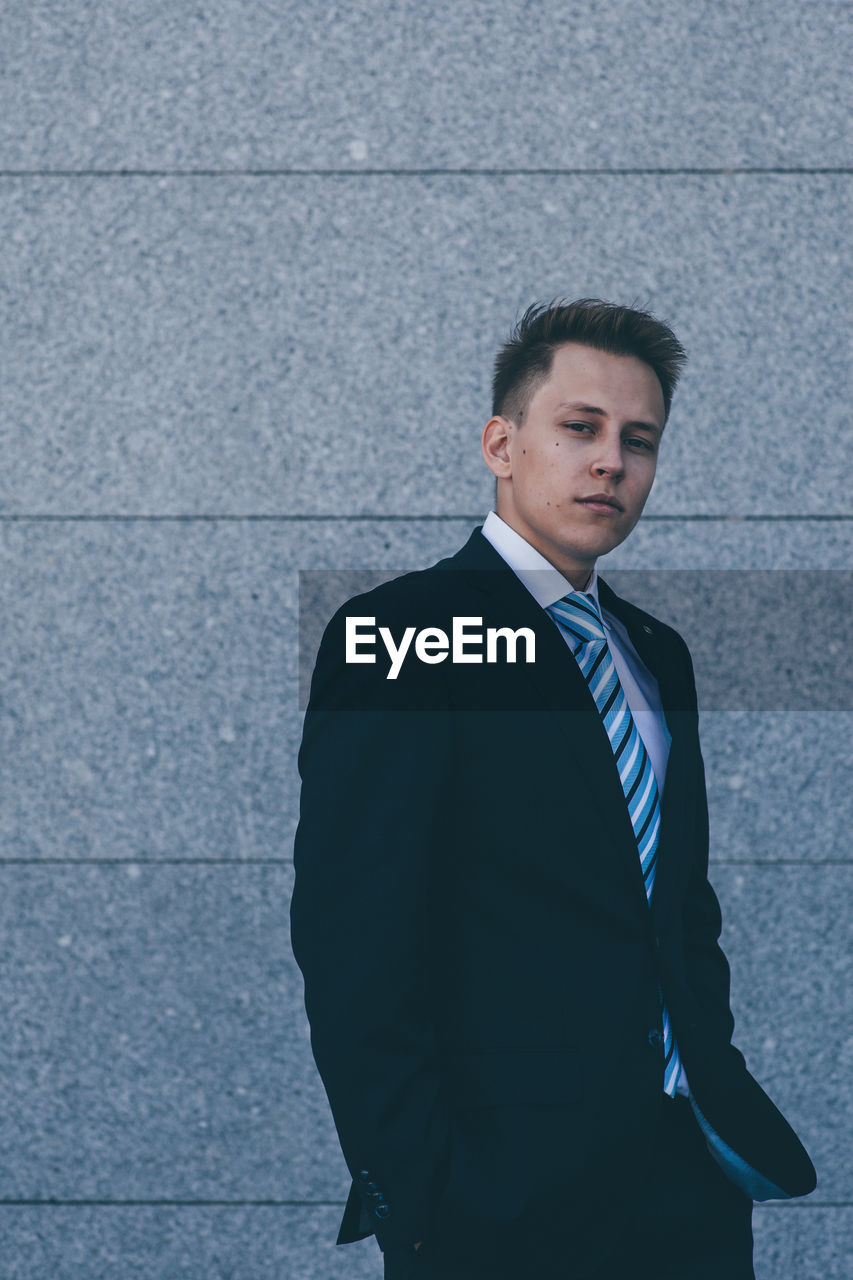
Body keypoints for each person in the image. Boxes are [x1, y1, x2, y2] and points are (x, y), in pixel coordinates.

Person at [290, 299, 816, 1279]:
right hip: (499, 1206)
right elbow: (352, 938)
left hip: (684, 1188)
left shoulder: (656, 652)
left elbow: (674, 908)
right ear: (501, 441)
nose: (610, 460)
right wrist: (421, 1194)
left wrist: (711, 1078)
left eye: (638, 439)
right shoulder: (406, 633)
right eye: (578, 427)